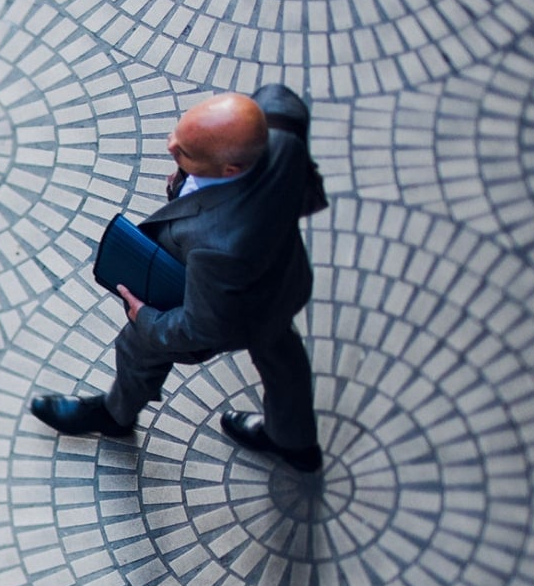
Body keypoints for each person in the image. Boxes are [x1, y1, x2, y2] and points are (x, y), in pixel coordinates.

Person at [31, 85, 323, 473]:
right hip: (283, 280)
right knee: (280, 350)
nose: (170, 145)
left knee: (139, 346)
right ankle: (296, 443)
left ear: (231, 171)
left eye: (183, 152)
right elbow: (282, 101)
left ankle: (116, 415)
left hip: (239, 305)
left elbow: (200, 328)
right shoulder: (281, 132)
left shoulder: (220, 247)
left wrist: (145, 318)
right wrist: (191, 172)